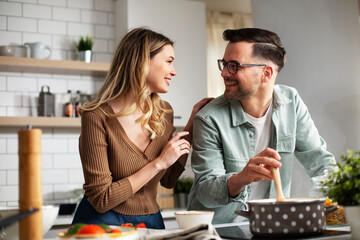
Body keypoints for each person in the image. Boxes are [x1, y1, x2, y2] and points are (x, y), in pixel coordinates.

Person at [187, 28, 338, 224]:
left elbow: (320, 162)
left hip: (269, 225)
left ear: (266, 73)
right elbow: (205, 190)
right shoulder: (209, 118)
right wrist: (242, 177)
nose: (224, 73)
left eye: (234, 66)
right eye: (224, 64)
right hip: (216, 231)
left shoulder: (291, 101)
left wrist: (343, 196)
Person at [71, 27, 213, 229]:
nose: (174, 71)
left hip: (151, 223)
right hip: (102, 226)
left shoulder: (164, 112)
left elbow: (169, 179)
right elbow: (101, 199)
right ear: (142, 62)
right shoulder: (96, 116)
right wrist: (157, 163)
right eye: (169, 61)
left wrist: (192, 124)